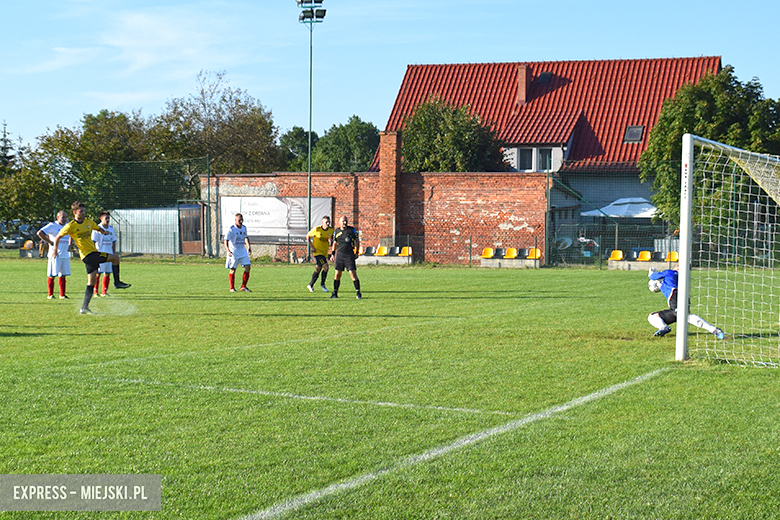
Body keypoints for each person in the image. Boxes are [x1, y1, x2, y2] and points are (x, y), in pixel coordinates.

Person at [52, 201, 131, 315]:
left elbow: (97, 228)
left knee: (91, 281)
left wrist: (104, 232)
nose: (83, 213)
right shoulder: (70, 226)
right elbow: (57, 237)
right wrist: (54, 250)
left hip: (92, 253)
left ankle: (84, 307)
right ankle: (117, 282)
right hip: (88, 255)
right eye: (81, 211)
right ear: (74, 212)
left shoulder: (88, 222)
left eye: (84, 211)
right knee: (115, 258)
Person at [648, 265, 724, 339]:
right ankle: (663, 328)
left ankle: (714, 330)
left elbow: (652, 276)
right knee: (653, 316)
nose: (677, 266)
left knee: (687, 317)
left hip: (675, 296)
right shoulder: (680, 277)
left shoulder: (670, 272)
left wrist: (651, 271)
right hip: (680, 298)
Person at [37, 210, 71, 300]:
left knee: (63, 274)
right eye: (62, 217)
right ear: (57, 217)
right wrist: (49, 242)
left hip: (65, 254)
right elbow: (39, 233)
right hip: (55, 254)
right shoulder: (53, 225)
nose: (64, 219)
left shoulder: (68, 226)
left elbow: (72, 234)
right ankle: (50, 294)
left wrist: (70, 244)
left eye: (66, 217)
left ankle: (62, 295)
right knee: (52, 274)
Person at [329, 216, 362, 299]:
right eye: (343, 221)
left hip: (349, 255)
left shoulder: (351, 230)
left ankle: (358, 292)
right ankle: (335, 293)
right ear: (339, 222)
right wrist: (332, 254)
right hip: (340, 255)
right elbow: (335, 243)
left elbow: (357, 240)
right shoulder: (337, 231)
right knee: (337, 274)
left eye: (346, 221)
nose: (345, 222)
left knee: (352, 274)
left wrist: (357, 252)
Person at [91, 211, 117, 297]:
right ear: (101, 218)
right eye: (106, 218)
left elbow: (113, 241)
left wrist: (113, 253)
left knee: (107, 272)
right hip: (100, 253)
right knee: (98, 273)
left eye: (108, 218)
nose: (108, 220)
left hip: (109, 253)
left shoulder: (111, 229)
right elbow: (93, 241)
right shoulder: (97, 229)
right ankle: (95, 292)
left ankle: (104, 292)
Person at [306, 215, 334, 293]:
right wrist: (311, 246)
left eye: (329, 222)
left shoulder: (331, 230)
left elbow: (332, 239)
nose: (328, 224)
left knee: (318, 268)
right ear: (322, 222)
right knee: (326, 267)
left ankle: (310, 285)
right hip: (317, 252)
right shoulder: (317, 229)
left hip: (324, 252)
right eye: (326, 222)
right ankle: (322, 284)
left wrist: (330, 241)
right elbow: (308, 236)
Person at [225, 213, 252, 292]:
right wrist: (228, 250)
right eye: (239, 220)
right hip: (234, 251)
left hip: (242, 251)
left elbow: (246, 237)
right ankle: (232, 288)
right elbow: (226, 240)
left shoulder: (244, 228)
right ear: (235, 220)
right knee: (233, 269)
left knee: (248, 267)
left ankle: (243, 286)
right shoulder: (231, 229)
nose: (241, 221)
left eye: (241, 220)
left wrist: (248, 247)